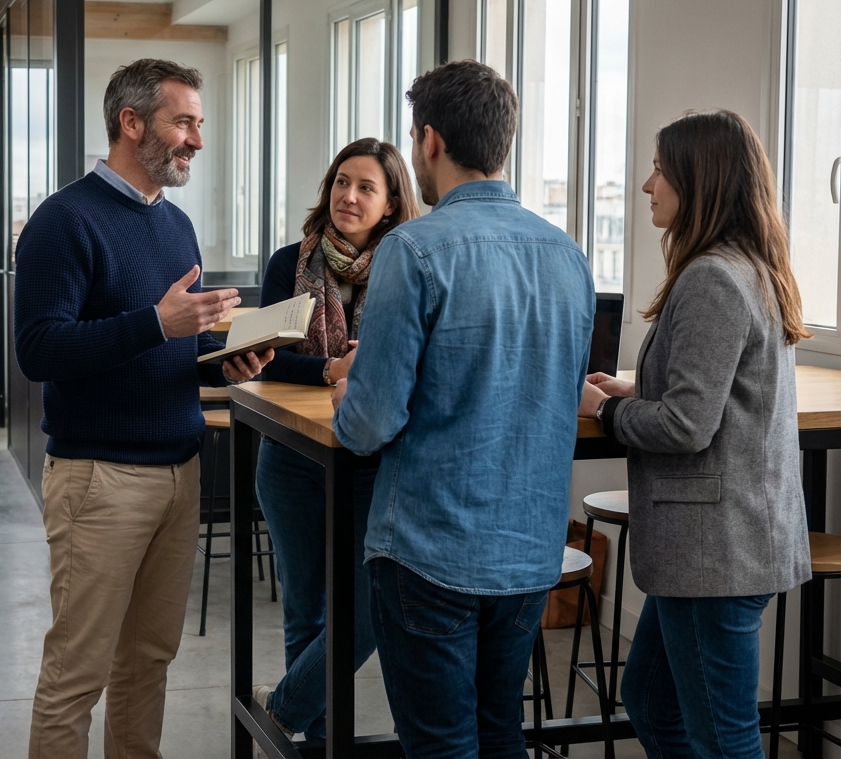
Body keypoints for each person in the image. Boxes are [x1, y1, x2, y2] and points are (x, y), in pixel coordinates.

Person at [330, 59, 596, 758]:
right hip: (530, 548)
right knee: (498, 732)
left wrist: (346, 397)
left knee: (441, 745)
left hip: (430, 547)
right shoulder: (569, 255)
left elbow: (370, 424)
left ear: (427, 142)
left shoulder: (413, 250)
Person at [14, 58, 274, 759]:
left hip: (179, 473)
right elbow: (39, 350)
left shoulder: (176, 227)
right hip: (100, 480)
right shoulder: (63, 220)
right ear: (131, 123)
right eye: (183, 121)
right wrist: (158, 324)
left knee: (149, 661)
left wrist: (227, 357)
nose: (196, 138)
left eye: (198, 123)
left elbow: (174, 343)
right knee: (78, 675)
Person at [579, 110, 811, 759]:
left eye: (659, 169)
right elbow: (721, 396)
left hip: (716, 554)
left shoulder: (712, 277)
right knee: (651, 701)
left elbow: (685, 425)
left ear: (698, 180)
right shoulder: (750, 267)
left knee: (723, 738)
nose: (647, 185)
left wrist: (602, 411)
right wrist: (637, 390)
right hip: (725, 547)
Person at [252, 137, 420, 743]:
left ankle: (286, 709)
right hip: (293, 457)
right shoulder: (287, 263)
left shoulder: (410, 268)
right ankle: (320, 743)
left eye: (366, 187)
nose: (348, 196)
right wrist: (331, 370)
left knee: (372, 605)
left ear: (393, 202)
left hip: (373, 462)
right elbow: (266, 359)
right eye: (341, 182)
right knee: (306, 609)